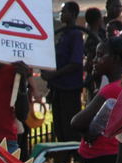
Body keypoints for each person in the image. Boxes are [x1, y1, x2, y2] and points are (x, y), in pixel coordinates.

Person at [43, 2, 85, 143]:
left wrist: (53, 75)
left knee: (69, 123)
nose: (61, 15)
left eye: (63, 12)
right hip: (58, 87)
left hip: (70, 87)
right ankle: (64, 155)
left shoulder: (76, 35)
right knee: (59, 123)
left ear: (72, 14)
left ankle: (74, 154)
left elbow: (75, 63)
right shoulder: (63, 34)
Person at [83, 7, 107, 100]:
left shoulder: (91, 35)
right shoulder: (92, 38)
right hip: (95, 74)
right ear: (98, 19)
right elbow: (89, 58)